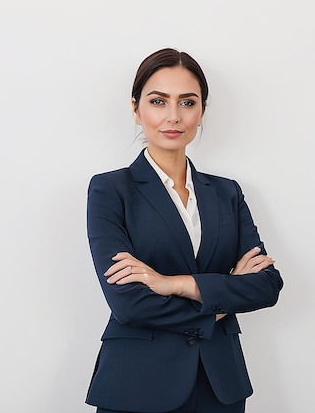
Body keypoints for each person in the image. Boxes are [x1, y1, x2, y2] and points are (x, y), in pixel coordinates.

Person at [85, 48, 283, 413]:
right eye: (158, 101)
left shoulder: (227, 192)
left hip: (220, 387)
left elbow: (266, 284)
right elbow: (129, 303)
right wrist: (221, 301)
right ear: (135, 109)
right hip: (137, 385)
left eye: (187, 102)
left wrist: (172, 283)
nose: (173, 116)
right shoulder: (110, 191)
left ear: (202, 111)